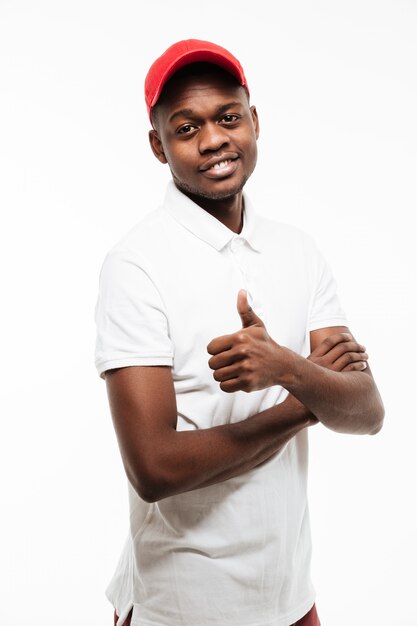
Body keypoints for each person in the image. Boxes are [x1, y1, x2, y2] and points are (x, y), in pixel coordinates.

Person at [94, 39, 384, 626]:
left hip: (290, 601)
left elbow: (368, 411)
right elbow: (154, 469)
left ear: (255, 121)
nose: (213, 140)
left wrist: (285, 368)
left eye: (229, 117)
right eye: (186, 127)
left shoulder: (298, 251)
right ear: (158, 146)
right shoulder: (137, 265)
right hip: (182, 608)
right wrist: (306, 399)